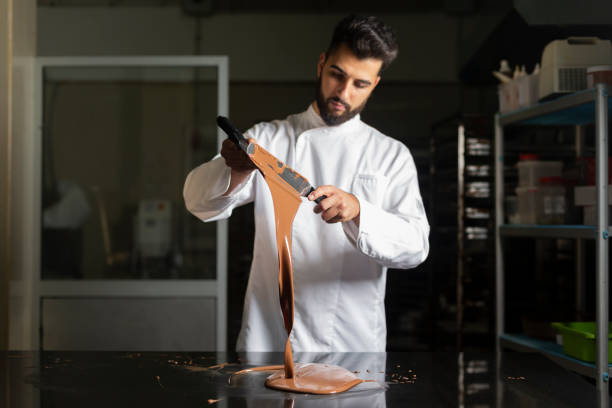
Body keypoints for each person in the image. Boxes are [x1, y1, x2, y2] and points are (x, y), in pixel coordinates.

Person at [183, 14, 429, 352]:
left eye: (359, 84)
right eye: (337, 75)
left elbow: (416, 247)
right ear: (321, 64)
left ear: (374, 85)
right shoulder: (268, 139)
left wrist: (360, 211)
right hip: (269, 343)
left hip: (352, 346)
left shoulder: (390, 155)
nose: (343, 92)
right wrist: (236, 169)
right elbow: (196, 201)